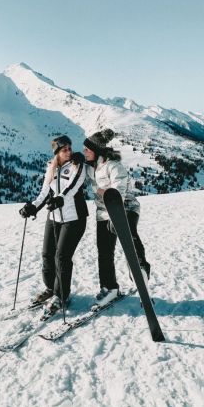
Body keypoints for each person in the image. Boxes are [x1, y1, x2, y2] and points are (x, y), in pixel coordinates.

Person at [19, 135, 88, 316]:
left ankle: (61, 296)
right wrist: (33, 207)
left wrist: (59, 199)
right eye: (64, 149)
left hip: (74, 219)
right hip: (55, 217)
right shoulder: (52, 168)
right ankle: (51, 288)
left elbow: (72, 187)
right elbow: (45, 192)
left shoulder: (77, 165)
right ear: (57, 152)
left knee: (62, 257)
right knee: (47, 255)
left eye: (70, 148)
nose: (69, 152)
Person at [83, 128, 150, 308]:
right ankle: (109, 288)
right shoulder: (89, 167)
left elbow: (118, 192)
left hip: (124, 208)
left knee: (129, 235)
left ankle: (140, 269)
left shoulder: (113, 166)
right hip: (102, 214)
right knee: (104, 252)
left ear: (96, 151)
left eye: (87, 150)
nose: (84, 152)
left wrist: (101, 191)